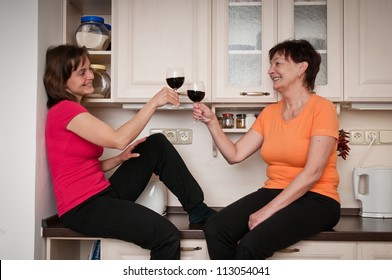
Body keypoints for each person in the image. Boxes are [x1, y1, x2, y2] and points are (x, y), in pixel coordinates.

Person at [44, 44, 216, 260]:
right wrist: (154, 102)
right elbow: (118, 139)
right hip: (83, 207)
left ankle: (197, 208)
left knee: (155, 144)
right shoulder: (65, 110)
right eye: (82, 72)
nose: (91, 76)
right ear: (61, 79)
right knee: (167, 236)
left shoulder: (73, 111)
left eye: (89, 69)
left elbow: (80, 166)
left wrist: (119, 159)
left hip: (101, 194)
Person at [193, 39, 340, 259]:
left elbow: (313, 174)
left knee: (250, 245)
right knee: (215, 227)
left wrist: (267, 211)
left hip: (318, 199)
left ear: (302, 68)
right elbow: (235, 155)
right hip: (275, 190)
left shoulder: (323, 109)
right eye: (270, 65)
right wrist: (212, 122)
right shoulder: (270, 113)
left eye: (278, 64)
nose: (270, 71)